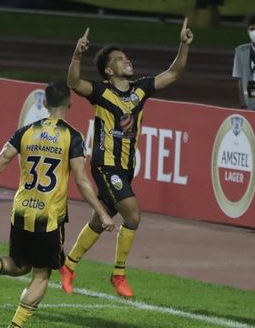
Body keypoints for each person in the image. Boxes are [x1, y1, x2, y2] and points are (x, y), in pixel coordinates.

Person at [0, 81, 116, 328]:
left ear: (44, 103)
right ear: (69, 104)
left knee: (20, 265)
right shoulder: (72, 136)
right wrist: (102, 213)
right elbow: (82, 180)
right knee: (41, 274)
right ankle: (16, 326)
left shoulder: (26, 131)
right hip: (48, 217)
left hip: (20, 211)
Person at [59, 19, 194, 298]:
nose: (126, 61)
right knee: (133, 214)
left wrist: (183, 44)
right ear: (109, 70)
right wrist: (77, 54)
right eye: (119, 60)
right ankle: (118, 274)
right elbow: (73, 82)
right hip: (106, 165)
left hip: (126, 167)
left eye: (126, 57)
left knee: (100, 219)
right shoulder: (100, 92)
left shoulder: (140, 89)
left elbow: (174, 73)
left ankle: (68, 266)